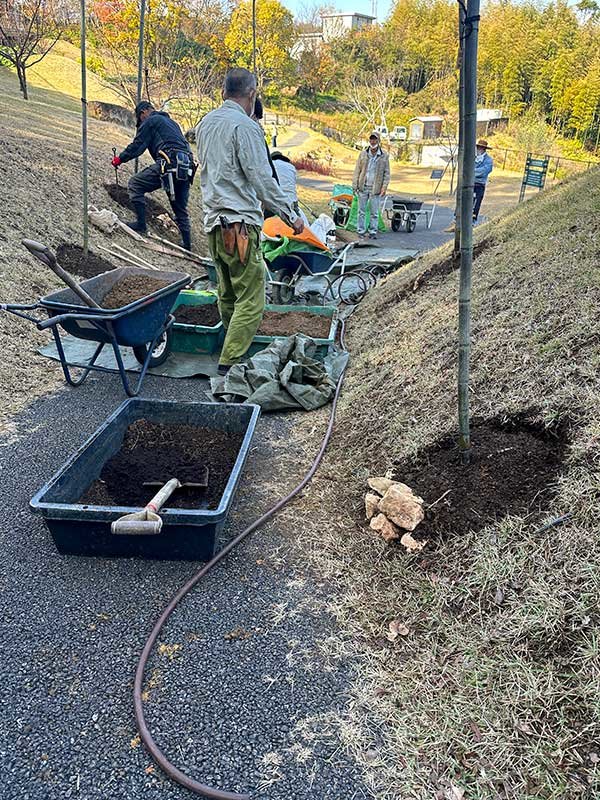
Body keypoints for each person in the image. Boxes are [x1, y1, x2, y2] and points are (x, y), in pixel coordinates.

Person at [196, 68, 304, 375]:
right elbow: (262, 179)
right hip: (240, 224)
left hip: (215, 223)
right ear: (252, 93)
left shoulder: (206, 123)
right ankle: (231, 359)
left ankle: (231, 348)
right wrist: (290, 216)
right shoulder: (245, 127)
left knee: (228, 292)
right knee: (252, 297)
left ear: (223, 92)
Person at [111, 101, 194, 251]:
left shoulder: (151, 120)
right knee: (179, 207)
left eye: (140, 119)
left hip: (169, 162)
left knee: (135, 184)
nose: (141, 123)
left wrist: (120, 159)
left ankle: (141, 225)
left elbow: (138, 146)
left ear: (143, 112)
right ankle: (187, 245)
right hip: (186, 165)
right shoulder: (172, 123)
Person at [352, 131, 390, 240]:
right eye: (371, 139)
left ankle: (373, 231)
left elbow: (387, 173)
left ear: (378, 141)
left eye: (375, 139)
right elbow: (357, 171)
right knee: (361, 211)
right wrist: (355, 185)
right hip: (363, 186)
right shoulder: (363, 154)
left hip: (375, 188)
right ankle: (361, 231)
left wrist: (384, 187)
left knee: (374, 212)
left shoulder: (384, 156)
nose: (373, 141)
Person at [473, 139, 494, 221]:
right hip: (469, 183)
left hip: (479, 184)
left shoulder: (489, 160)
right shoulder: (473, 157)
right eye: (478, 147)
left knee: (476, 204)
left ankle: (472, 222)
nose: (479, 149)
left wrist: (472, 172)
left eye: (481, 148)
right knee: (465, 203)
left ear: (484, 149)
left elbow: (484, 172)